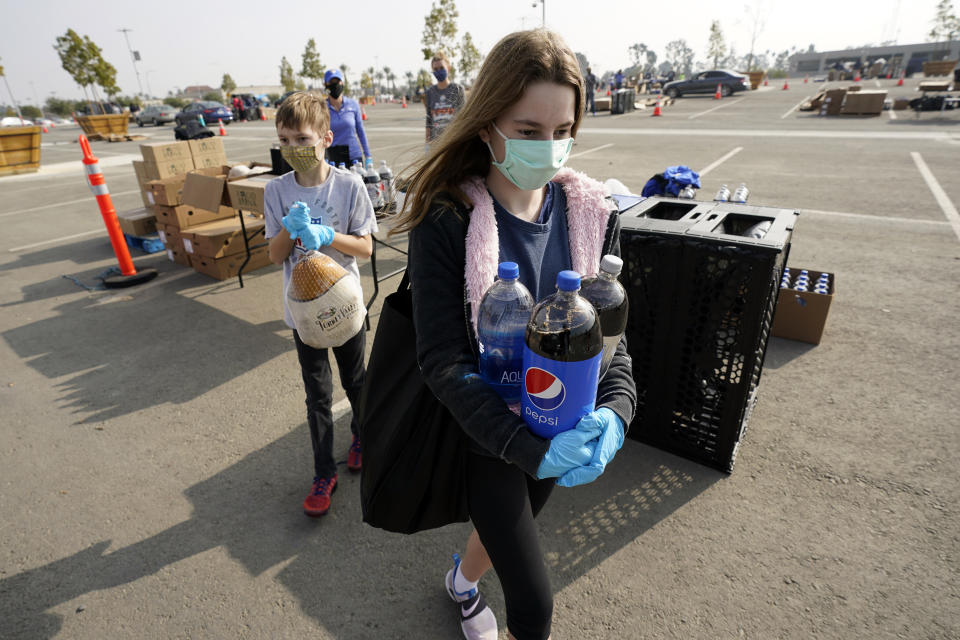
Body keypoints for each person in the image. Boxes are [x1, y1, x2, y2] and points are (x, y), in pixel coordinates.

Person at [394, 29, 636, 640]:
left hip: (564, 420)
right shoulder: (446, 219)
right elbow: (444, 360)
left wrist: (617, 412)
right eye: (528, 132)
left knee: (512, 521)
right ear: (486, 126)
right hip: (493, 434)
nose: (549, 148)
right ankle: (476, 594)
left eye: (563, 131)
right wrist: (526, 448)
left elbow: (613, 337)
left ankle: (460, 581)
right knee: (534, 601)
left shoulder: (590, 211)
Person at [264, 91, 378, 517]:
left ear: (326, 137)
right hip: (303, 312)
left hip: (345, 306)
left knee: (355, 380)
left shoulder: (348, 186)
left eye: (302, 138)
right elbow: (275, 256)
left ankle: (363, 435)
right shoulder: (276, 191)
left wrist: (327, 236)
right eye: (285, 140)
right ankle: (322, 471)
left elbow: (365, 249)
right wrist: (291, 231)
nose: (294, 148)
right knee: (317, 393)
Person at [322, 68, 372, 168]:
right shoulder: (321, 107)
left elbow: (361, 131)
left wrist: (368, 156)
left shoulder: (353, 104)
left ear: (342, 83)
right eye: (331, 82)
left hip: (354, 157)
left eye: (337, 81)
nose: (335, 85)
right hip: (332, 159)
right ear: (325, 85)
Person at [424, 51, 466, 146]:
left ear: (449, 68)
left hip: (454, 143)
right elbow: (429, 121)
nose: (439, 71)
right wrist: (427, 144)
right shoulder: (430, 92)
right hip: (436, 144)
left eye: (442, 68)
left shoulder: (458, 89)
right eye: (435, 69)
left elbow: (464, 118)